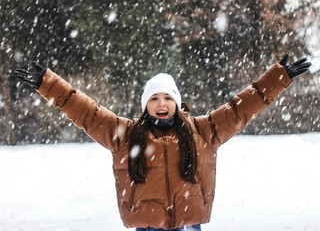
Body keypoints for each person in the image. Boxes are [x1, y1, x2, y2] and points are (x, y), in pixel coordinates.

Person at [13, 54, 311, 231]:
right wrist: (47, 84)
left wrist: (278, 77)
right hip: (146, 225)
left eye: (168, 97)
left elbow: (240, 109)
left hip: (189, 224)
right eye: (154, 98)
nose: (161, 103)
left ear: (177, 102)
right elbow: (86, 112)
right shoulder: (126, 135)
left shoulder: (203, 131)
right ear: (146, 105)